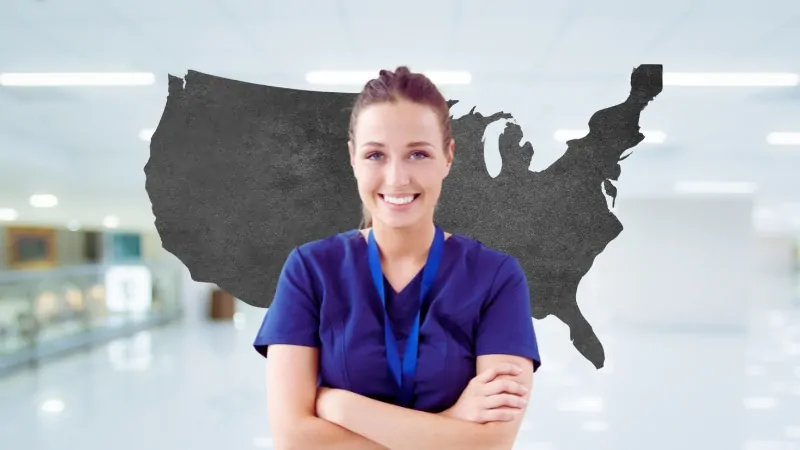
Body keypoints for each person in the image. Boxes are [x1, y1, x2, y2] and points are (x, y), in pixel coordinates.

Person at [253, 66, 542, 450]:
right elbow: (293, 439)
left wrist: (340, 406)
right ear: (353, 158)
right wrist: (452, 423)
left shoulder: (496, 278)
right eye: (375, 155)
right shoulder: (310, 271)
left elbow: (490, 444)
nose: (396, 178)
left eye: (418, 154)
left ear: (447, 158)